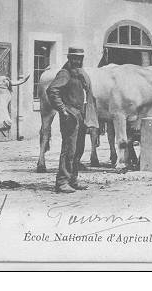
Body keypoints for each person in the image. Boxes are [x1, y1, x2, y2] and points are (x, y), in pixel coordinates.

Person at [47, 47, 99, 193]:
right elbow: (52, 91)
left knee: (79, 149)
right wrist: (62, 109)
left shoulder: (81, 73)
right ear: (69, 58)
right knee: (69, 149)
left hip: (81, 115)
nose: (77, 61)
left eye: (79, 58)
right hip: (70, 115)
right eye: (74, 58)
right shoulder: (65, 73)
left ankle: (73, 179)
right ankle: (62, 182)